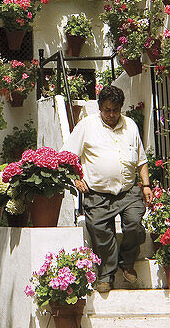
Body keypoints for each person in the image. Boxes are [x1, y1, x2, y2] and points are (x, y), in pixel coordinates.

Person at [62, 84, 151, 293]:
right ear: (99, 108)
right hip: (97, 193)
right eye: (107, 110)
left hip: (128, 191)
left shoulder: (130, 125)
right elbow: (67, 156)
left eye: (115, 110)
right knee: (101, 233)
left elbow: (141, 160)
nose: (111, 115)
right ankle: (106, 276)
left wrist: (146, 185)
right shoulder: (86, 126)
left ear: (121, 108)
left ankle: (127, 263)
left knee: (135, 226)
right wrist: (75, 178)